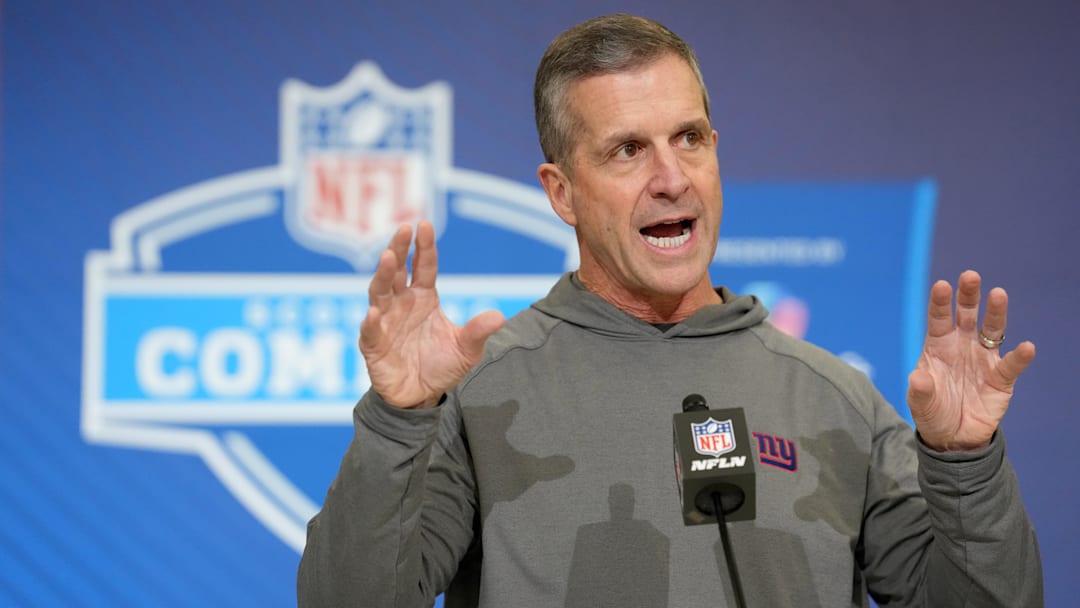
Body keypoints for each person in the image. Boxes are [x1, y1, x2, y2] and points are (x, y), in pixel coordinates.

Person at [298, 13, 1042, 607]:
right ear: (561, 192)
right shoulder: (480, 391)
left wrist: (965, 466)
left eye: (690, 139)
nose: (671, 178)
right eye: (627, 150)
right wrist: (397, 419)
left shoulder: (835, 395)